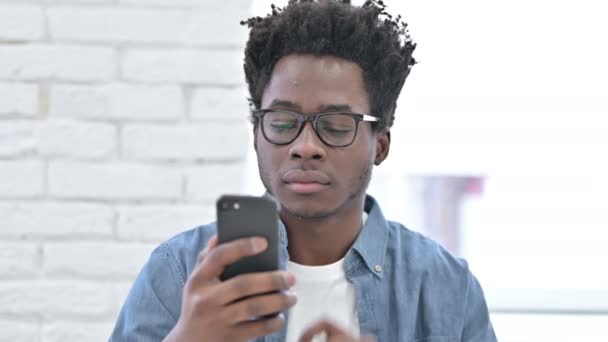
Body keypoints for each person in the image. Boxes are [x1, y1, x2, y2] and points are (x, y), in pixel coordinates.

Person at [110, 1, 497, 341]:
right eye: (281, 122)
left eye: (335, 124)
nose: (305, 147)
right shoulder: (179, 272)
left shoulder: (446, 288)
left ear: (380, 145)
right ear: (257, 135)